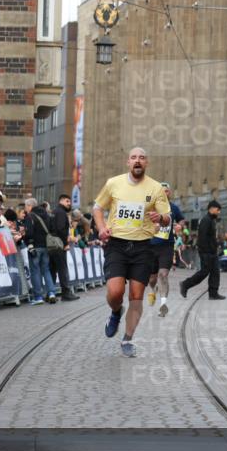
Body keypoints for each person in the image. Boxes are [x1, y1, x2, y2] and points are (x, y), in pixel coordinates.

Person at [92, 147, 172, 357]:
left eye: (142, 158)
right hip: (117, 245)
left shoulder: (156, 188)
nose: (138, 161)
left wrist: (160, 218)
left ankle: (127, 339)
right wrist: (101, 228)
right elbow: (97, 208)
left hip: (143, 247)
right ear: (128, 162)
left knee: (136, 297)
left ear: (147, 163)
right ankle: (116, 312)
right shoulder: (114, 183)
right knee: (115, 292)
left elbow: (167, 217)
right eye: (134, 157)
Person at [146, 182, 184, 317]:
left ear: (169, 193)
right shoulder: (150, 207)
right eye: (161, 191)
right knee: (152, 278)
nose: (164, 193)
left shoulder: (174, 208)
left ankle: (163, 304)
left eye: (166, 191)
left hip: (166, 246)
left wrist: (180, 226)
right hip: (151, 247)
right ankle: (152, 289)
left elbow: (181, 220)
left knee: (163, 274)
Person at [179, 200, 225, 301]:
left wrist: (215, 247)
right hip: (206, 252)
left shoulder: (211, 220)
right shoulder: (206, 220)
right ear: (212, 209)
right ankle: (185, 284)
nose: (219, 212)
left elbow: (211, 237)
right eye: (218, 210)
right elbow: (202, 237)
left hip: (212, 252)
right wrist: (206, 251)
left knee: (215, 272)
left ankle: (213, 293)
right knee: (204, 272)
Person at [22, 198, 57, 304]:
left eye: (26, 206)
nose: (25, 209)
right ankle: (51, 293)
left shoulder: (30, 216)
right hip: (46, 246)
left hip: (34, 246)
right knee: (46, 270)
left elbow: (29, 233)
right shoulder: (46, 214)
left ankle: (38, 297)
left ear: (30, 206)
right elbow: (52, 229)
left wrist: (27, 241)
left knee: (35, 271)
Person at [49, 194, 79, 301]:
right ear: (61, 201)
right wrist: (65, 243)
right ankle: (65, 293)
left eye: (69, 201)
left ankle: (50, 293)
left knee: (52, 270)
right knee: (62, 269)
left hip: (51, 244)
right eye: (67, 201)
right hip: (59, 245)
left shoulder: (54, 212)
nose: (69, 203)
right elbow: (61, 229)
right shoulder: (61, 212)